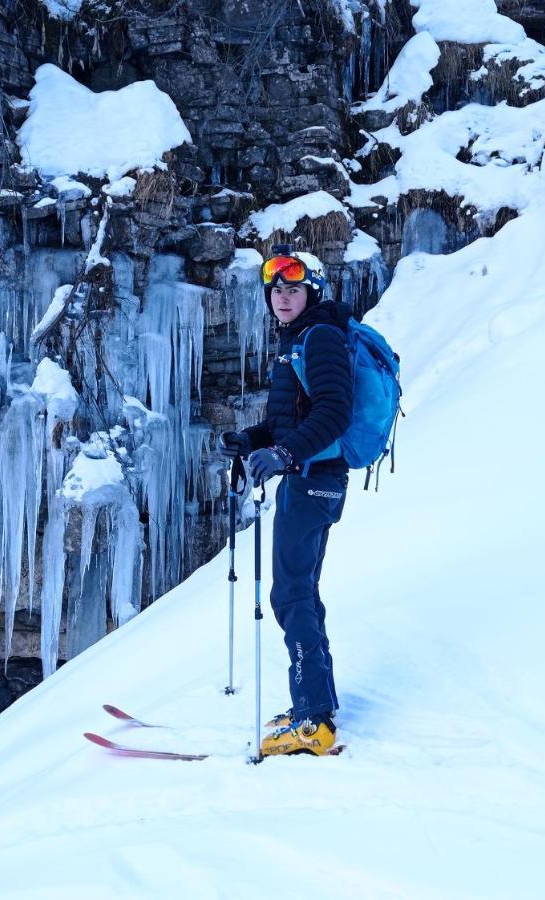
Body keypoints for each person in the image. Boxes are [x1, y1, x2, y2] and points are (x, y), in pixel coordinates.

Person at [217, 247, 354, 757]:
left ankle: (313, 723)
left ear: (311, 292)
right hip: (307, 475)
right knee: (302, 592)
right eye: (275, 289)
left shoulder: (320, 339)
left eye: (293, 288)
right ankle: (316, 703)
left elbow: (335, 413)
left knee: (291, 594)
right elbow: (289, 423)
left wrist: (284, 452)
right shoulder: (297, 341)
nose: (282, 297)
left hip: (315, 478)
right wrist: (254, 442)